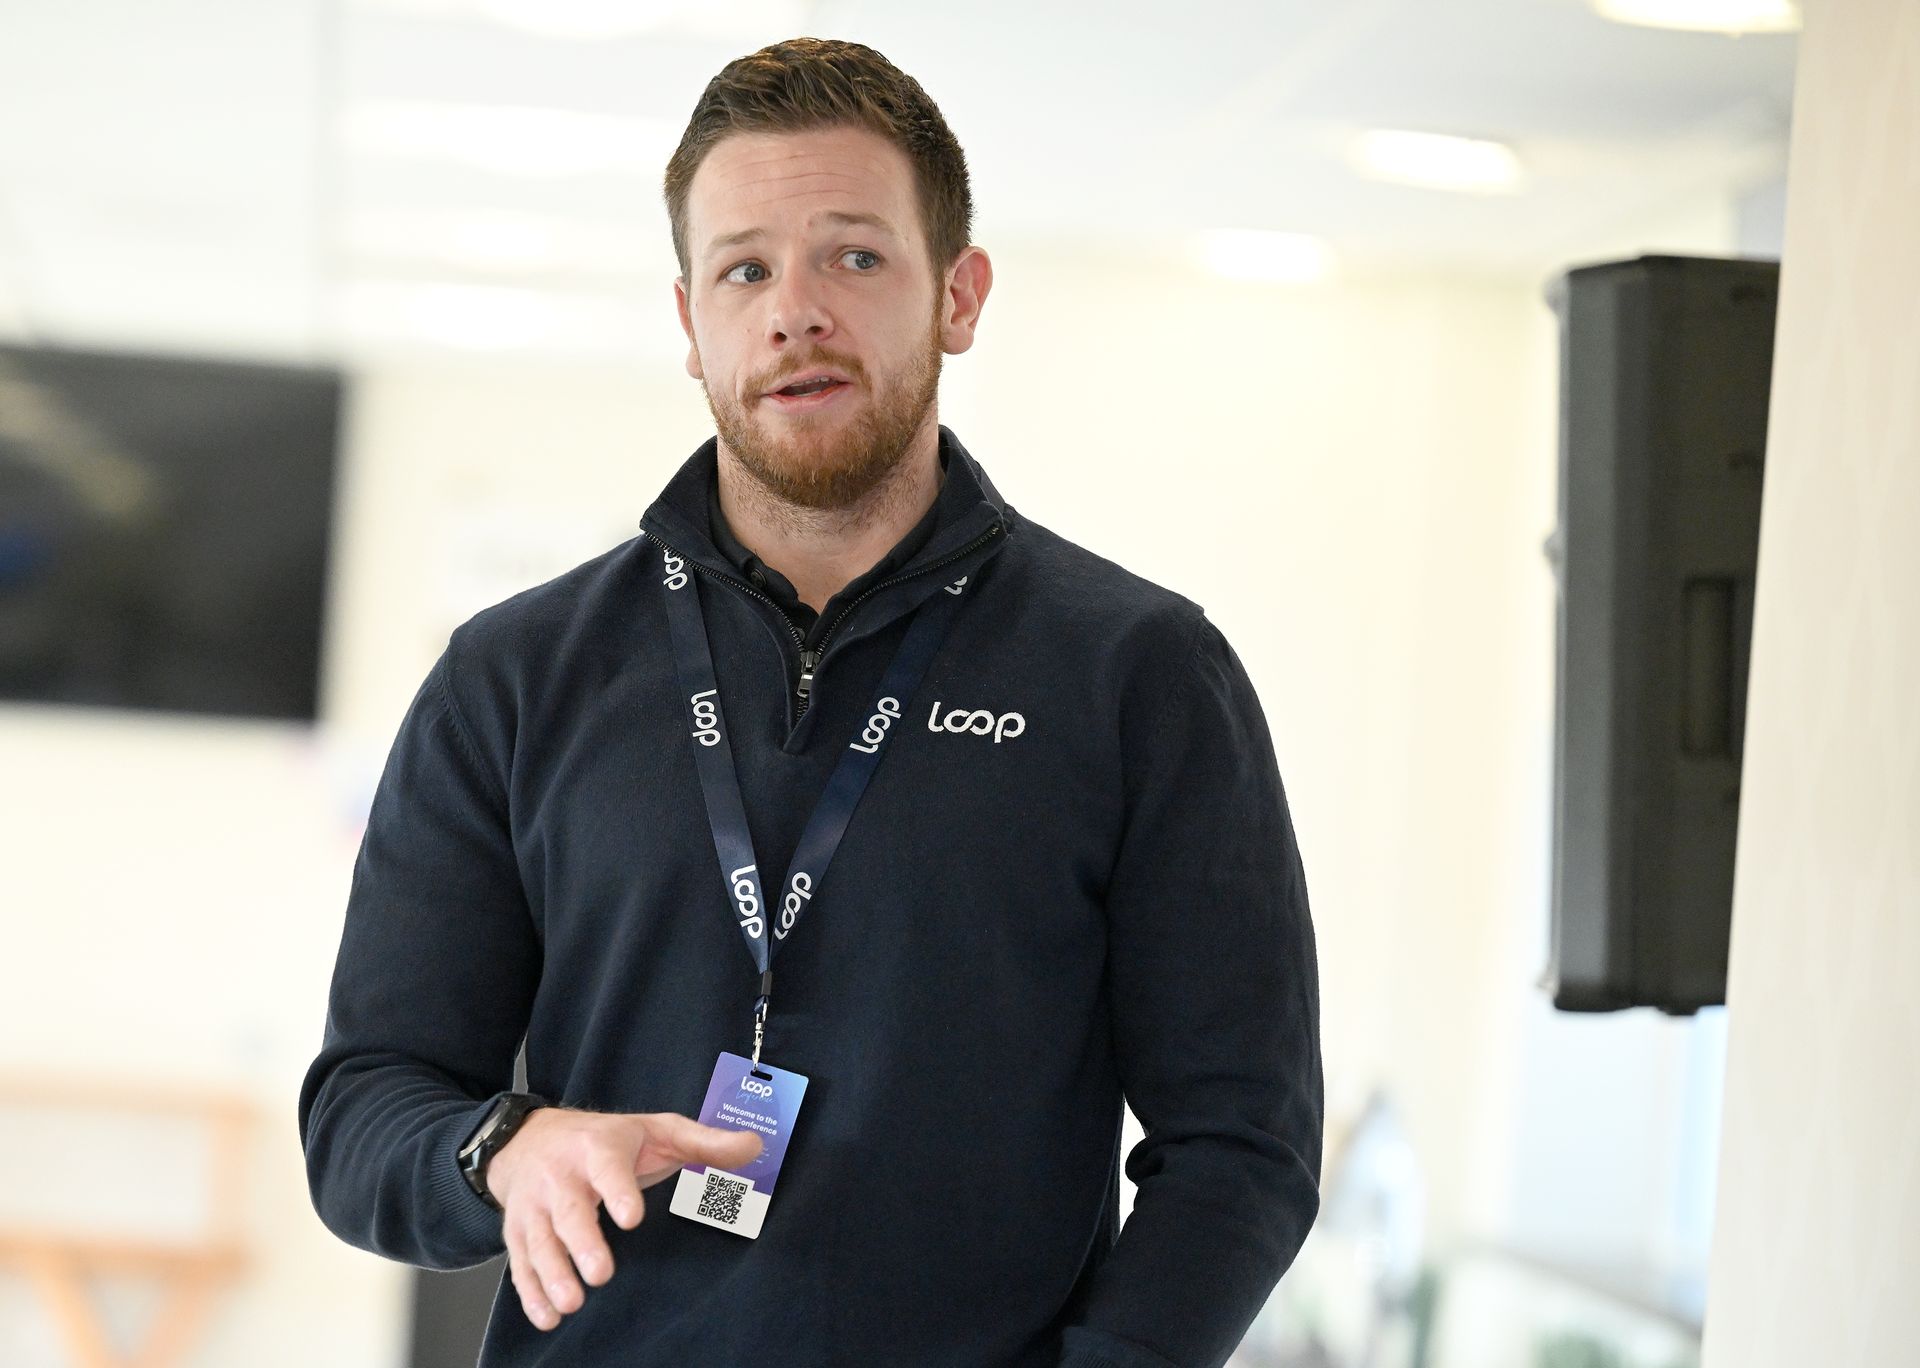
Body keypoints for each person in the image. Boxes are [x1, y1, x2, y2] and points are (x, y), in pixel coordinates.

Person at [298, 35, 1322, 1368]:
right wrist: (500, 1150)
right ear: (690, 324)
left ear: (959, 294)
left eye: (854, 255)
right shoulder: (515, 677)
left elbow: (1243, 1145)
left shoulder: (1139, 673)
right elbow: (365, 1107)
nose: (794, 311)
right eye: (745, 268)